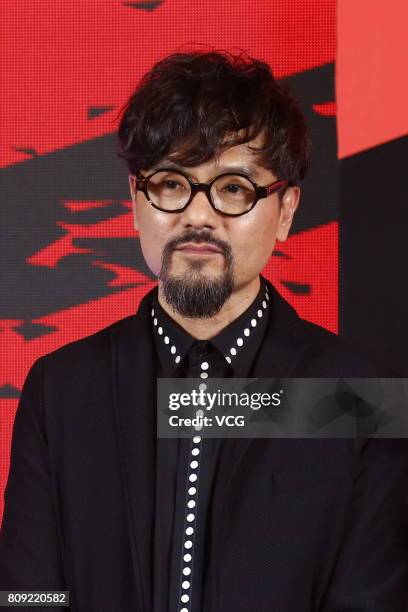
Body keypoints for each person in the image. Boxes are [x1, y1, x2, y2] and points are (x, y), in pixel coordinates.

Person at [0, 51, 407, 612]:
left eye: (234, 188)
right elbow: (28, 596)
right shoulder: (61, 390)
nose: (198, 215)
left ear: (286, 210)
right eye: (171, 183)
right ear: (135, 201)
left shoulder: (357, 397)